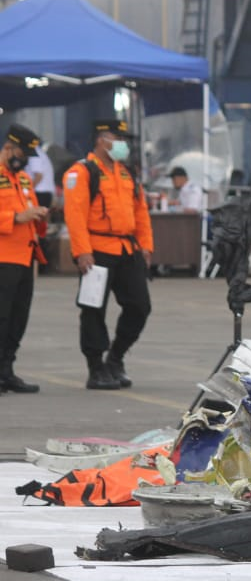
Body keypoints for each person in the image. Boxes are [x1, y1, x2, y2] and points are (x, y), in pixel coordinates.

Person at [63, 119, 154, 390]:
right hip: (97, 251)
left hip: (127, 250)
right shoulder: (81, 172)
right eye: (119, 138)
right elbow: (75, 215)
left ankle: (115, 358)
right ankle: (95, 368)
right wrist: (82, 252)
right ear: (103, 139)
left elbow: (141, 211)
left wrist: (146, 245)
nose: (124, 145)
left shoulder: (127, 172)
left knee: (140, 306)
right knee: (93, 310)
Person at [0, 124, 48, 393]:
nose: (26, 158)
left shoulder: (24, 179)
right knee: (2, 317)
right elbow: (15, 216)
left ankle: (7, 370)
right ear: (9, 147)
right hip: (3, 257)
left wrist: (38, 216)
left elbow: (26, 212)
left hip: (25, 256)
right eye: (23, 152)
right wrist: (17, 218)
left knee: (19, 317)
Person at [27, 141, 55, 209]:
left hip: (39, 192)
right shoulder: (41, 153)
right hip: (45, 192)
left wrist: (28, 191)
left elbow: (39, 175)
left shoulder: (34, 154)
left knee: (35, 217)